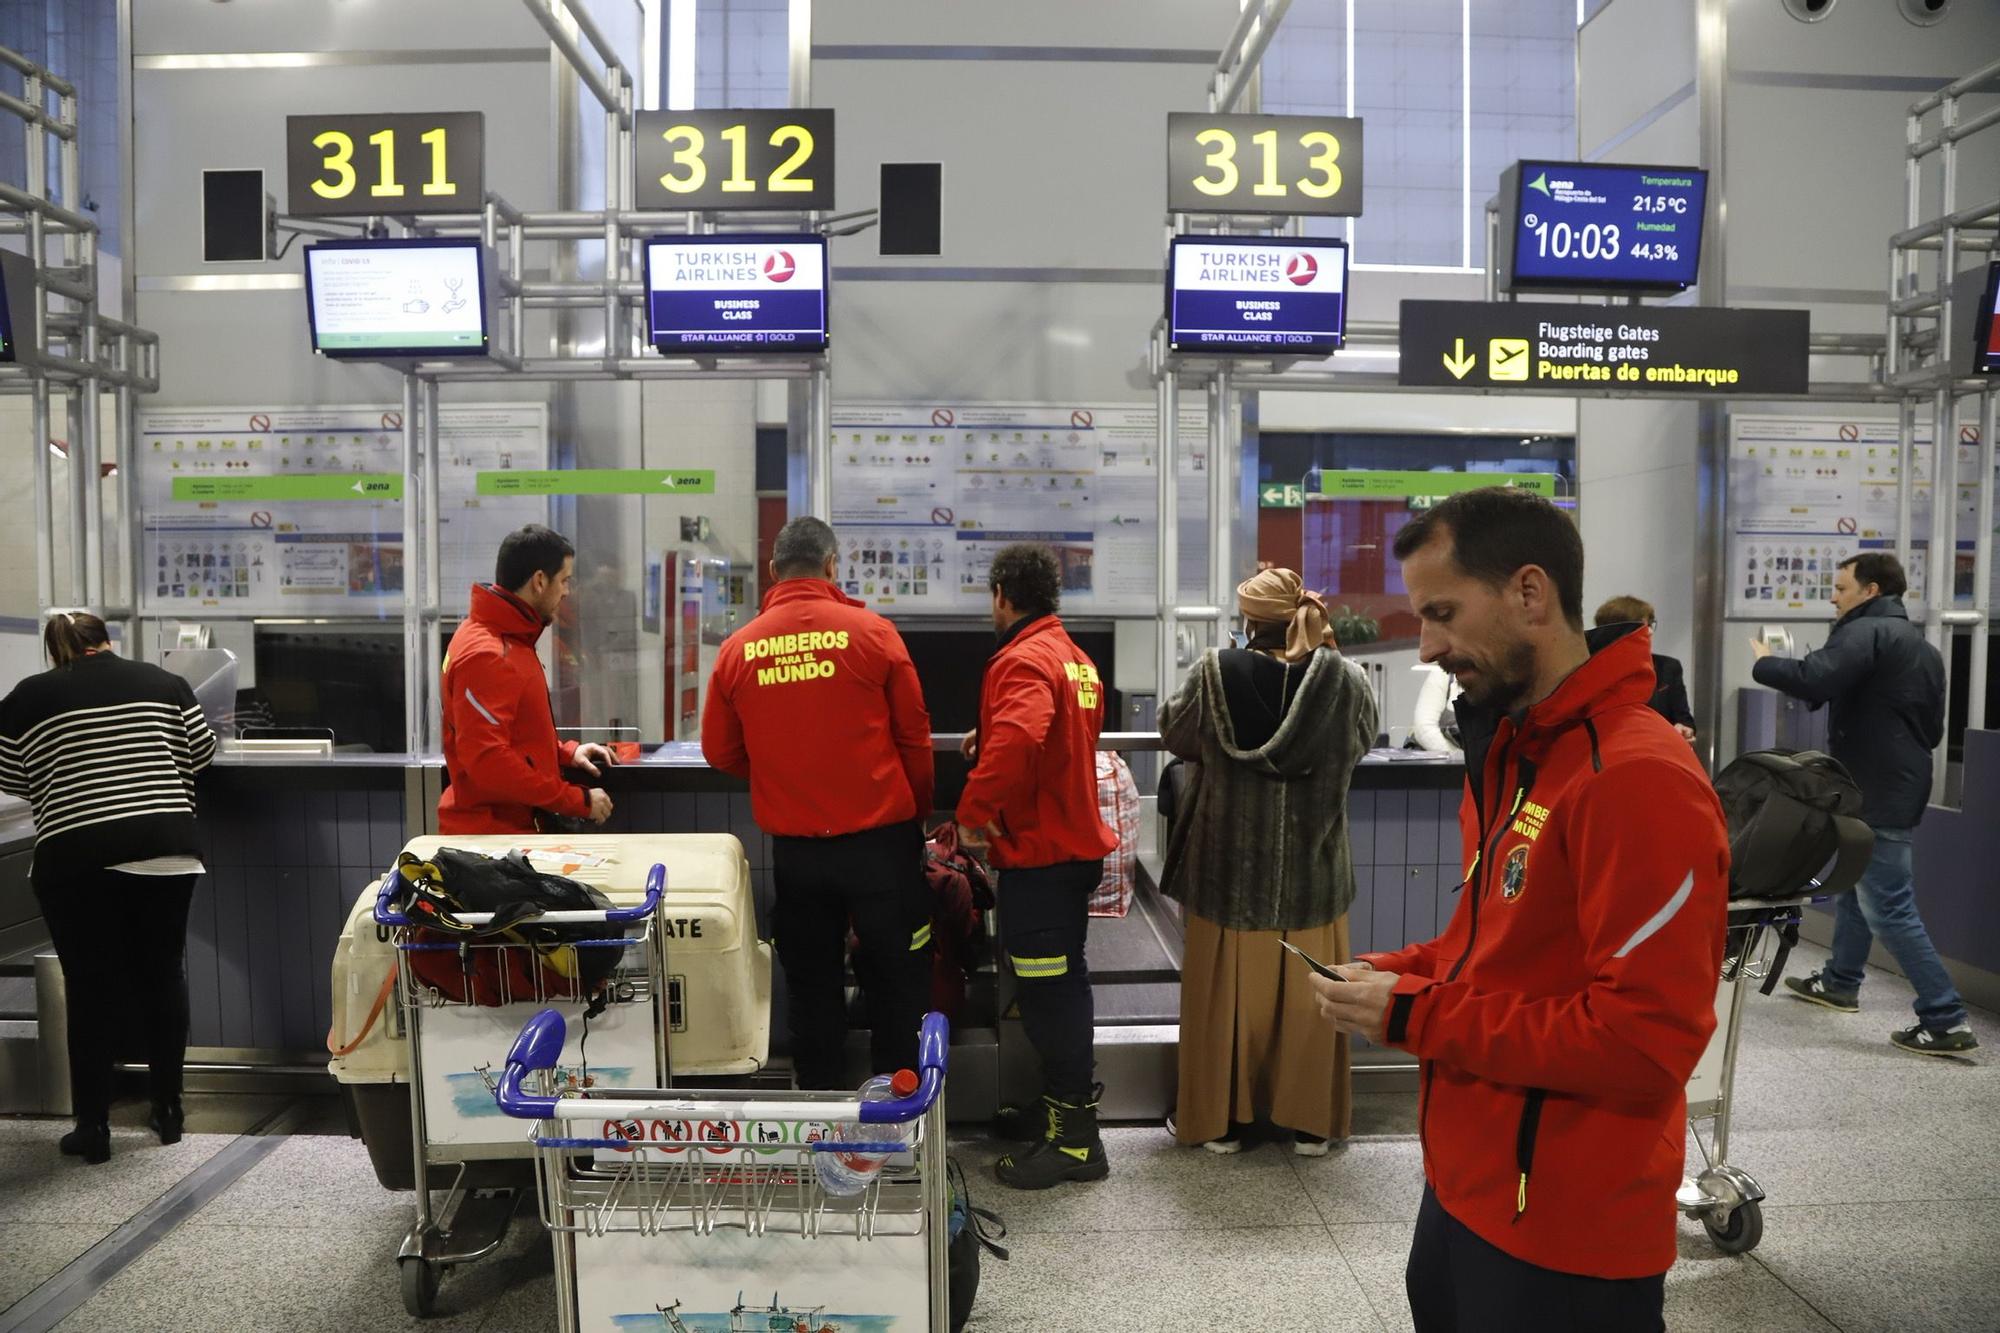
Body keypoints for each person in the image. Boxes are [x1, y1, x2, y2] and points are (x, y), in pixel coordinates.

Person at [1309, 486, 1729, 1332]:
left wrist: (1416, 1014)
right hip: (1470, 1184)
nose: (1425, 646)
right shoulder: (1517, 750)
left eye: (1441, 612)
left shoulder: (1634, 777)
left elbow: (1641, 1045)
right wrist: (1403, 972)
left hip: (1568, 1229)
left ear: (1529, 593)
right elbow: (1497, 948)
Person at [701, 517, 936, 1088]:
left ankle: (823, 1127)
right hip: (882, 847)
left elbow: (719, 751)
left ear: (775, 571)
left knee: (812, 988)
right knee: (895, 983)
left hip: (799, 855)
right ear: (833, 567)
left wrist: (782, 772)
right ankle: (897, 1127)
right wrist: (916, 815)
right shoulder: (874, 633)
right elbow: (915, 738)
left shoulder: (739, 649)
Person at [1159, 568, 1376, 1156]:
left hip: (1228, 874)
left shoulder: (1213, 673)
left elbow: (1173, 732)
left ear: (1248, 621)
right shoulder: (1346, 680)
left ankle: (1219, 1123)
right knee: (1313, 1001)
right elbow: (1363, 738)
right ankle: (1310, 1125)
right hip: (1314, 870)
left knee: (1223, 1004)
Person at [0, 613, 219, 1164]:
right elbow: (202, 753)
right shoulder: (164, 682)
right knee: (162, 973)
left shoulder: (28, 696)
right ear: (108, 642)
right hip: (164, 849)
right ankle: (168, 1110)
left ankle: (93, 1126)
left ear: (56, 652)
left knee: (91, 987)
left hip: (76, 857)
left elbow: (11, 776)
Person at [1752, 551, 1976, 1055]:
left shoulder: (1866, 631)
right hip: (1898, 781)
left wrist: (1763, 659)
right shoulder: (1921, 648)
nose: (1833, 596)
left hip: (1876, 788)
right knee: (1855, 882)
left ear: (1870, 591)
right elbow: (1932, 728)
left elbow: (1815, 676)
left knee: (1890, 907)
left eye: (1841, 587)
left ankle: (1945, 1019)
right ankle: (1840, 982)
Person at [958, 543, 1117, 1190]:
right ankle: (1056, 1112)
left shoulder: (1021, 657)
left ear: (1002, 593)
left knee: (1053, 997)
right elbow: (1055, 737)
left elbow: (1025, 736)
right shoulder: (1074, 658)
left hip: (1041, 856)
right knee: (1055, 989)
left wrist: (973, 809)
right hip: (1068, 849)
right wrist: (990, 732)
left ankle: (1077, 1140)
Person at [440, 525, 618, 834]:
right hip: (491, 839)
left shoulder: (505, 638)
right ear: (539, 581)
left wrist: (564, 752)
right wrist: (573, 799)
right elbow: (488, 760)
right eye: (564, 581)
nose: (566, 591)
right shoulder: (490, 653)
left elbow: (509, 735)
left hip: (509, 831)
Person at [1594, 594, 1697, 742]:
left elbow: (1684, 719)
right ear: (1615, 632)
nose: (1649, 632)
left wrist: (1683, 729)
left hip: (1661, 750)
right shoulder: (1594, 673)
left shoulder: (1668, 668)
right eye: (1641, 626)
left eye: (1650, 625)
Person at [1411, 663, 1462, 754]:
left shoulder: (1491, 676)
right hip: (1442, 761)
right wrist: (1459, 758)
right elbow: (1424, 728)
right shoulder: (1442, 673)